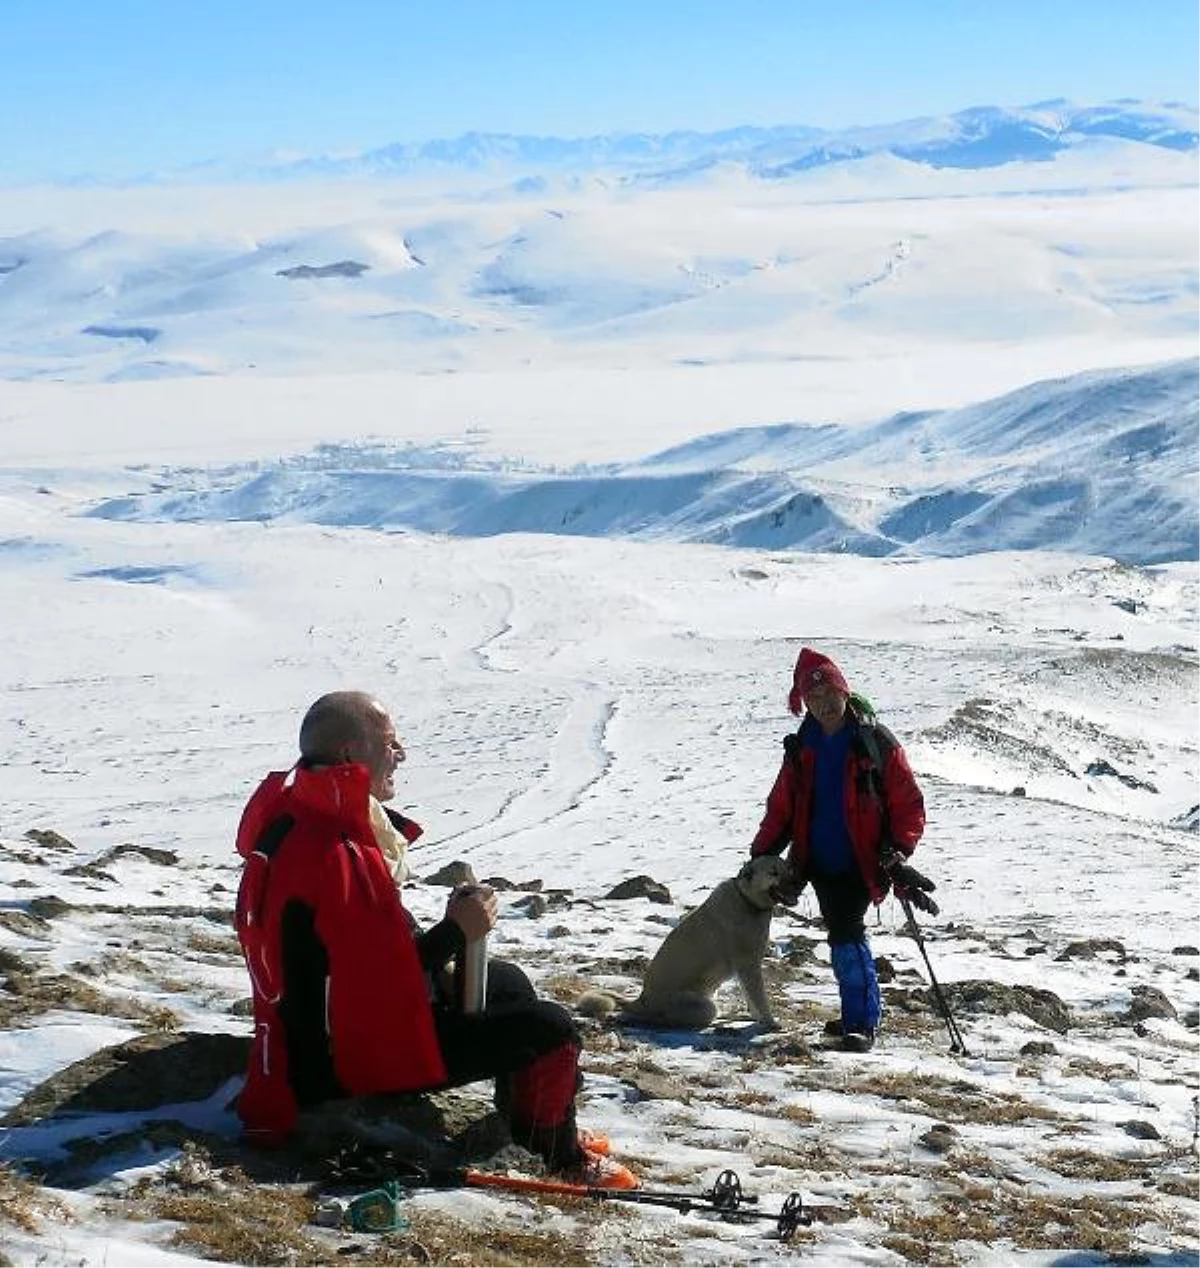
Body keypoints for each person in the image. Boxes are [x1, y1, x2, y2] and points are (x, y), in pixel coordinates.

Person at [234, 690, 636, 1188]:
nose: (401, 753)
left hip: (316, 1041)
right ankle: (562, 1159)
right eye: (390, 742)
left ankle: (531, 1123)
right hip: (342, 1068)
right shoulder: (331, 852)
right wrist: (455, 933)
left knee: (507, 982)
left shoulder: (305, 819)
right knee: (549, 1028)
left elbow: (354, 962)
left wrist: (448, 946)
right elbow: (373, 990)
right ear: (347, 755)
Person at [749, 649, 931, 1052]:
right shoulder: (802, 746)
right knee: (839, 934)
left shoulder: (874, 741)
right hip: (814, 857)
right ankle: (856, 1015)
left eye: (829, 693)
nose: (823, 704)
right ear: (803, 703)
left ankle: (862, 1024)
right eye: (813, 699)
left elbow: (907, 803)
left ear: (844, 691)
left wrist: (898, 850)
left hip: (860, 859)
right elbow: (782, 805)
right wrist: (761, 852)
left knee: (847, 934)